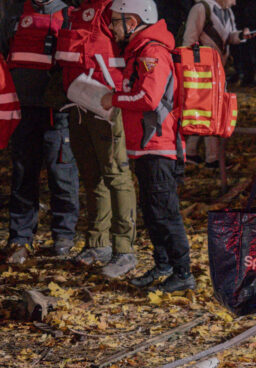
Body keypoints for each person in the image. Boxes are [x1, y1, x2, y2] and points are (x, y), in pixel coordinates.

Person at [101, 0, 196, 292]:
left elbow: (148, 99)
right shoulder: (139, 52)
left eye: (116, 22)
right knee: (152, 211)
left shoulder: (153, 52)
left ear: (133, 22)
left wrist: (113, 99)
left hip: (159, 147)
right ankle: (163, 265)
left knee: (165, 212)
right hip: (145, 147)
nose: (113, 29)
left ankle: (183, 273)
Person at [56, 0, 138, 277]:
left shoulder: (113, 8)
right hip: (79, 103)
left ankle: (124, 249)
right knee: (92, 176)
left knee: (115, 174)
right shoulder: (76, 12)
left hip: (106, 105)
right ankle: (98, 242)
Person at [1, 0, 80, 264]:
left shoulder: (68, 13)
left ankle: (64, 237)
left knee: (63, 175)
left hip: (56, 110)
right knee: (24, 174)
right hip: (23, 109)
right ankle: (20, 237)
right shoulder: (14, 13)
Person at [182, 0, 254, 168]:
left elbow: (228, 37)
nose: (235, 2)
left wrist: (241, 36)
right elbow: (189, 40)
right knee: (210, 112)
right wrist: (196, 69)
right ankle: (212, 157)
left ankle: (192, 152)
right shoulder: (201, 9)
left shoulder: (226, 12)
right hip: (203, 71)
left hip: (217, 70)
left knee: (207, 111)